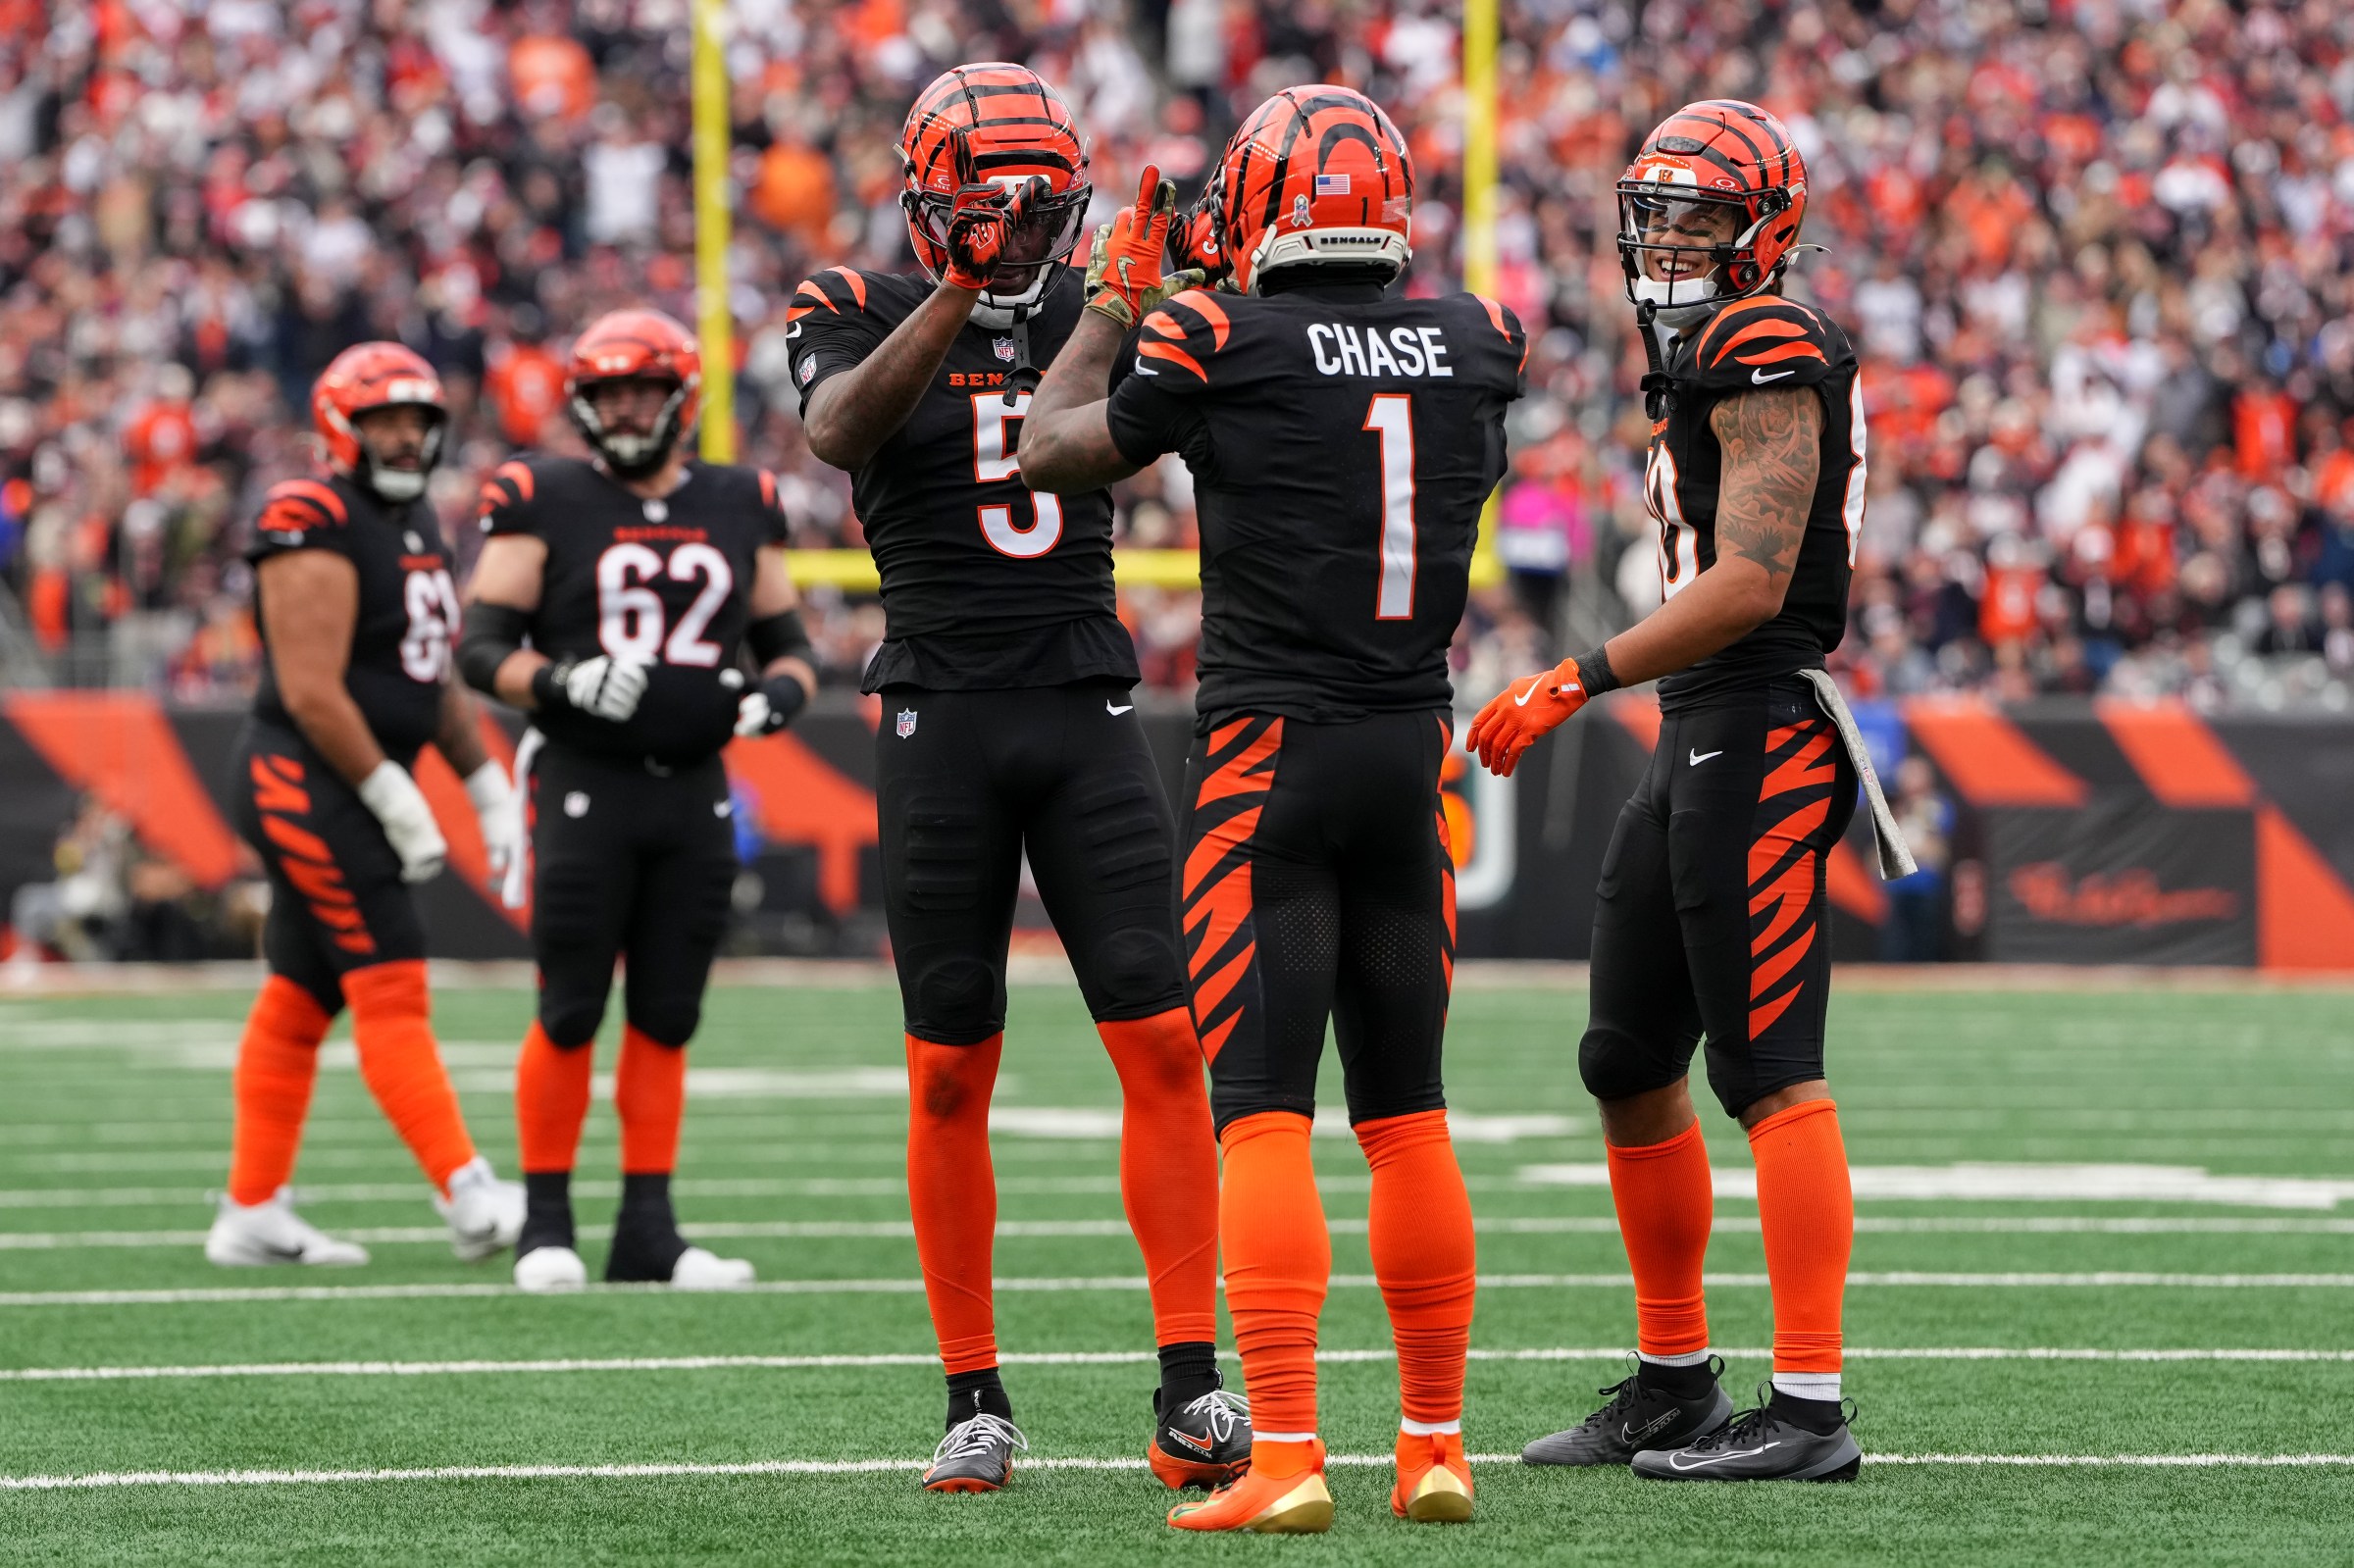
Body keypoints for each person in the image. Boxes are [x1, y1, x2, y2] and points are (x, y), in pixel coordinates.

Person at [1023, 83, 1526, 1533]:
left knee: (1259, 1114)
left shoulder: (1210, 333)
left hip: (1270, 753)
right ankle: (1432, 1443)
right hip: (1405, 746)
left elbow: (1053, 448)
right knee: (1408, 1111)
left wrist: (1121, 302)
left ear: (1258, 204)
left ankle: (1290, 1449)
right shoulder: (1481, 339)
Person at [786, 62, 1242, 1494]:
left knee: (1164, 1043)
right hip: (939, 711)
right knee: (948, 1068)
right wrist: (958, 291)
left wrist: (1163, 293)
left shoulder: (1090, 306)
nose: (1026, 234)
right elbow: (839, 431)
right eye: (996, 210)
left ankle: (1189, 1384)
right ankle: (972, 1391)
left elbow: (1225, 396)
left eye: (1045, 210)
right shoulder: (847, 304)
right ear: (929, 205)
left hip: (1085, 701)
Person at [1468, 99, 1909, 1484]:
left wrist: (1575, 674)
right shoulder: (1707, 345)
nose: (1668, 237)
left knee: (1768, 1069)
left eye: (1701, 214)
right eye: (1656, 209)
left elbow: (1752, 580)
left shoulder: (1766, 338)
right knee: (1625, 1058)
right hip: (1703, 729)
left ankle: (1812, 1407)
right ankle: (1674, 1381)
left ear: (1762, 225)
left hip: (1762, 721)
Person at [458, 308, 817, 1292]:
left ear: (679, 398)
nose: (624, 410)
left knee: (667, 1014)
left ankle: (647, 1231)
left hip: (695, 787)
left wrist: (775, 697)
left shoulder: (742, 498)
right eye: (608, 393)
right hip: (583, 783)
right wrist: (564, 681)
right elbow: (482, 647)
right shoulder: (545, 494)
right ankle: (546, 1223)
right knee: (571, 1007)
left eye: (641, 391)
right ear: (582, 401)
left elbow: (790, 647)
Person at [206, 343, 526, 1268]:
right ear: (341, 425)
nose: (403, 435)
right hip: (305, 775)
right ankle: (467, 1193)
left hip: (346, 778)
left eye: (418, 420)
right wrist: (390, 793)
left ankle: (252, 1208)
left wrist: (483, 783)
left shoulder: (416, 516)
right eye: (385, 417)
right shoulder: (311, 513)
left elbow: (427, 673)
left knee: (303, 993)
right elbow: (311, 689)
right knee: (390, 978)